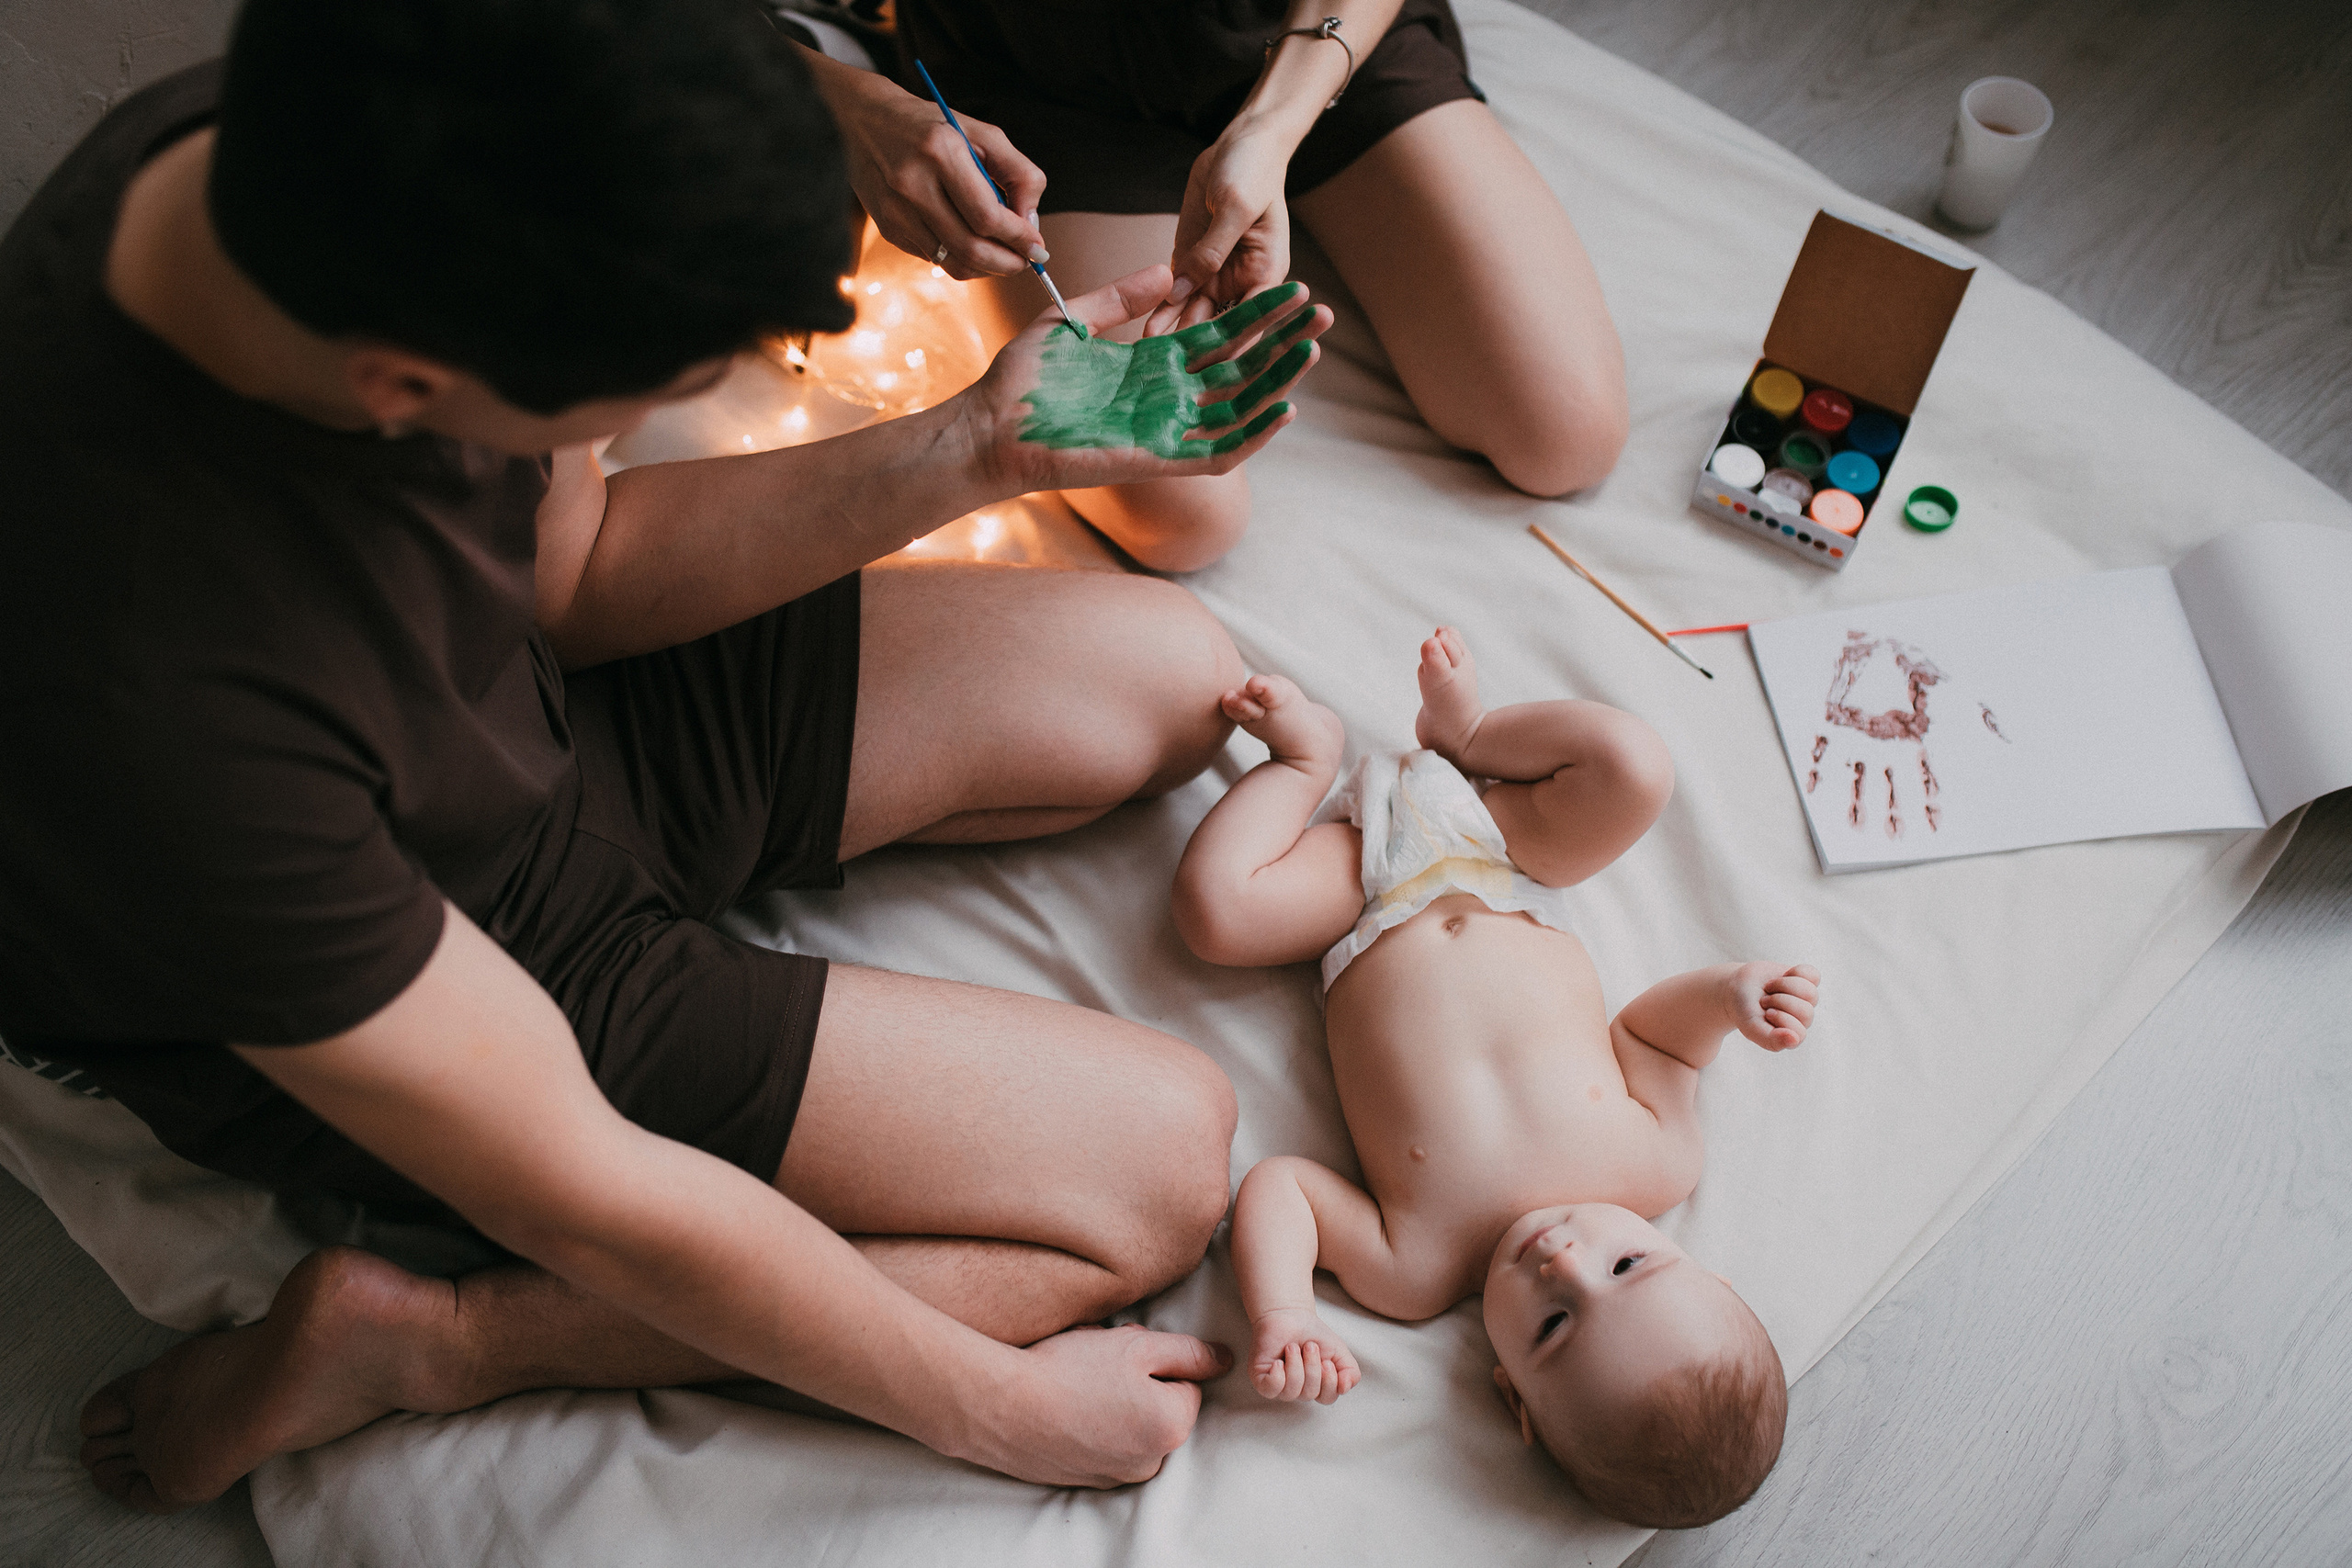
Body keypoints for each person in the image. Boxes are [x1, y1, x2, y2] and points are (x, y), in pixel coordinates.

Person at [0, 0, 1336, 1512]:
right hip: (446, 951)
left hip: (528, 727)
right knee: (1159, 1171)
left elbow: (573, 575)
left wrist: (985, 443)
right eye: (628, 398)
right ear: (406, 391)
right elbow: (589, 1189)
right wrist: (1004, 1409)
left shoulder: (344, 136)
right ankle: (428, 1339)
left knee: (1174, 677)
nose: (655, 422)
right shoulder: (161, 724)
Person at [1169, 628, 1810, 1527]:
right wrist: (1727, 996)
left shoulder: (1414, 1271)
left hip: (1358, 897)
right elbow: (1656, 1042)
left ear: (1512, 1394)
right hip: (1506, 858)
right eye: (1627, 1264)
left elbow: (1284, 1191)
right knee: (1633, 765)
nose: (1563, 1261)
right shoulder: (1659, 1163)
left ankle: (1302, 759)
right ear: (1711, 1276)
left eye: (1552, 1325)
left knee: (1215, 911)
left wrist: (1284, 1312)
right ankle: (1471, 733)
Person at [789, 0, 1630, 571]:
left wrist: (1272, 129)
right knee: (1181, 513)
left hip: (1307, 32)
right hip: (1031, 65)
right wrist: (852, 107)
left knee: (1567, 429)